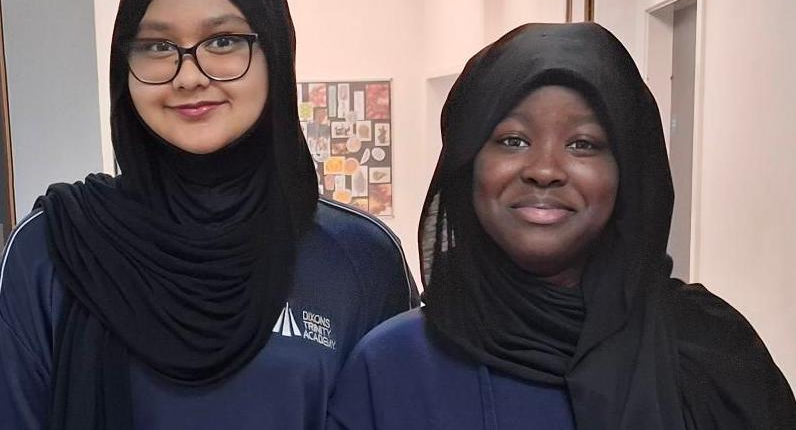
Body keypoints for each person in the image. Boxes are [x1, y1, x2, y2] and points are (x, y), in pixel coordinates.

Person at [0, 0, 418, 428]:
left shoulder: (359, 258)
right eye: (157, 45)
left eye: (222, 40)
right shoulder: (51, 251)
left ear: (275, 55)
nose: (189, 75)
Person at [327, 23, 795, 429]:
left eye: (584, 144)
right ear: (467, 164)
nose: (545, 169)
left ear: (628, 172)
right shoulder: (394, 367)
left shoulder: (710, 352)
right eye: (512, 140)